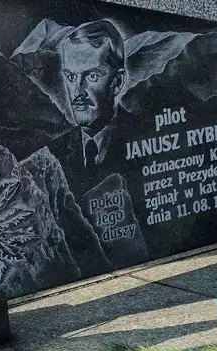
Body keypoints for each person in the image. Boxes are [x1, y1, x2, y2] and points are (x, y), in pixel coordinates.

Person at [48, 20, 149, 269]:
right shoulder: (54, 155)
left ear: (117, 82)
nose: (77, 92)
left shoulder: (145, 138)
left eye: (91, 76)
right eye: (71, 77)